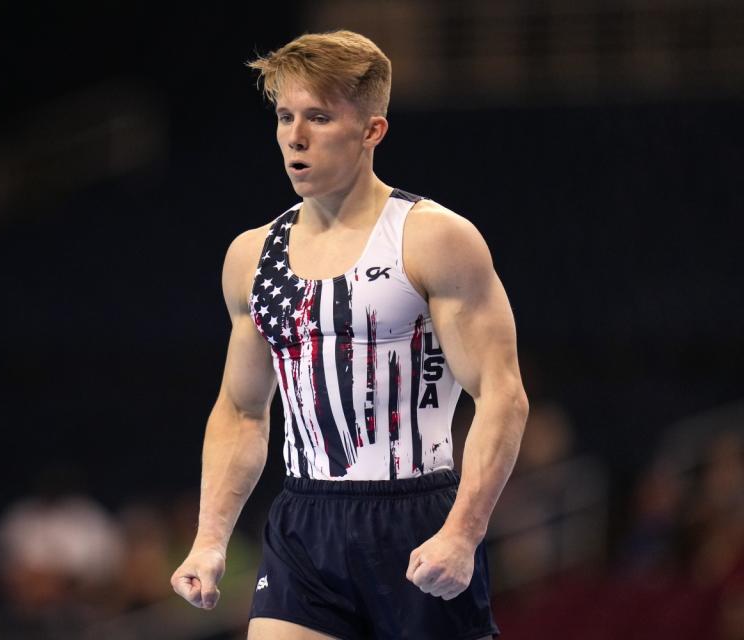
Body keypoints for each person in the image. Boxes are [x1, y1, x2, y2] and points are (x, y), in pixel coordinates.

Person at [170, 30, 528, 640]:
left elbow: (501, 394)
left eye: (319, 117)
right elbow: (241, 410)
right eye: (285, 116)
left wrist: (464, 532)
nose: (295, 136)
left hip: (416, 517)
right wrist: (210, 539)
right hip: (304, 524)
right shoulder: (253, 256)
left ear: (372, 131)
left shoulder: (433, 239)